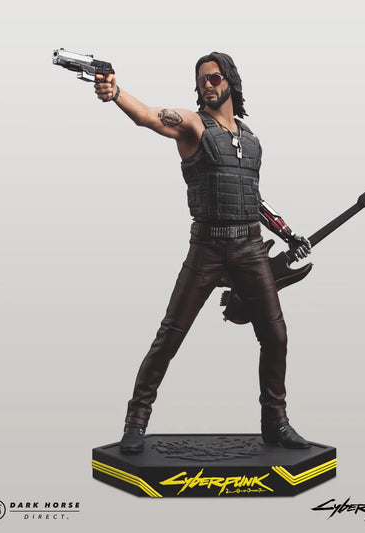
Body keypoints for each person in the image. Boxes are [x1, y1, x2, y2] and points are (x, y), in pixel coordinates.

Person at [94, 52, 312, 454]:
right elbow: (147, 115)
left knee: (276, 335)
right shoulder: (193, 125)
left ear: (230, 81)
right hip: (207, 247)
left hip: (250, 248)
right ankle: (135, 422)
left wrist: (287, 233)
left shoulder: (250, 140)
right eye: (201, 80)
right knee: (170, 335)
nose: (206, 85)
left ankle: (275, 422)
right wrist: (116, 92)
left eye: (213, 78)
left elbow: (252, 197)